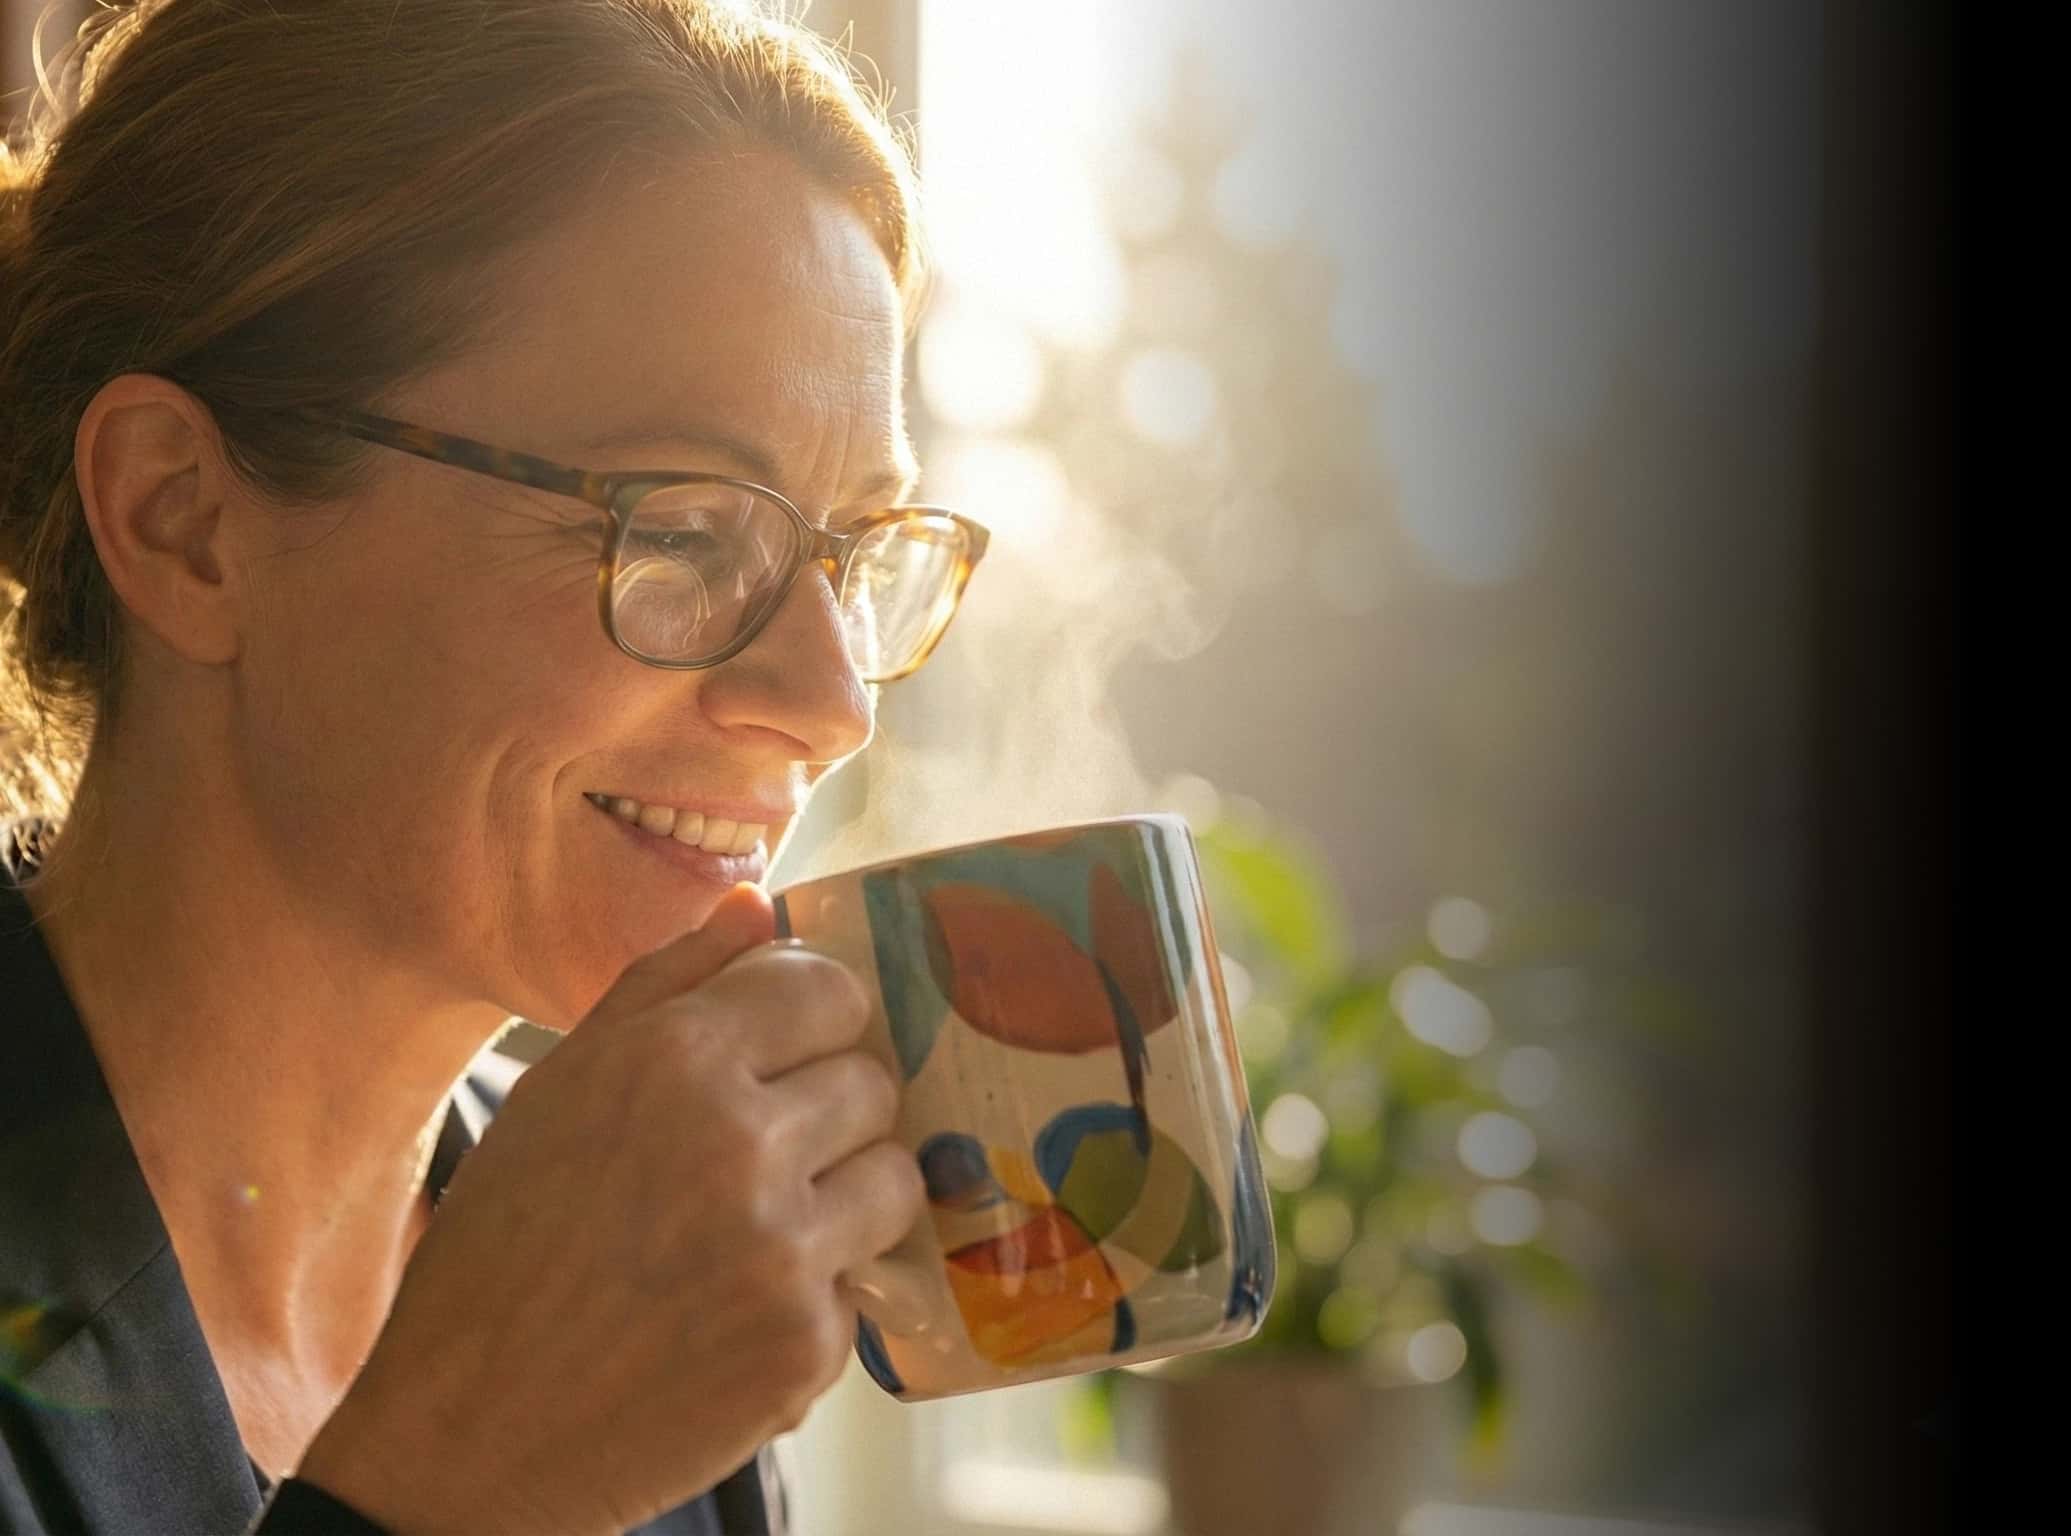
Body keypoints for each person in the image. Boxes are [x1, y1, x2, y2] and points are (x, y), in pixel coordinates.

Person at [0, 2, 987, 1530]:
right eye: (680, 528)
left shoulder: (648, 1277)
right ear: (182, 519)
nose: (831, 700)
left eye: (852, 558)